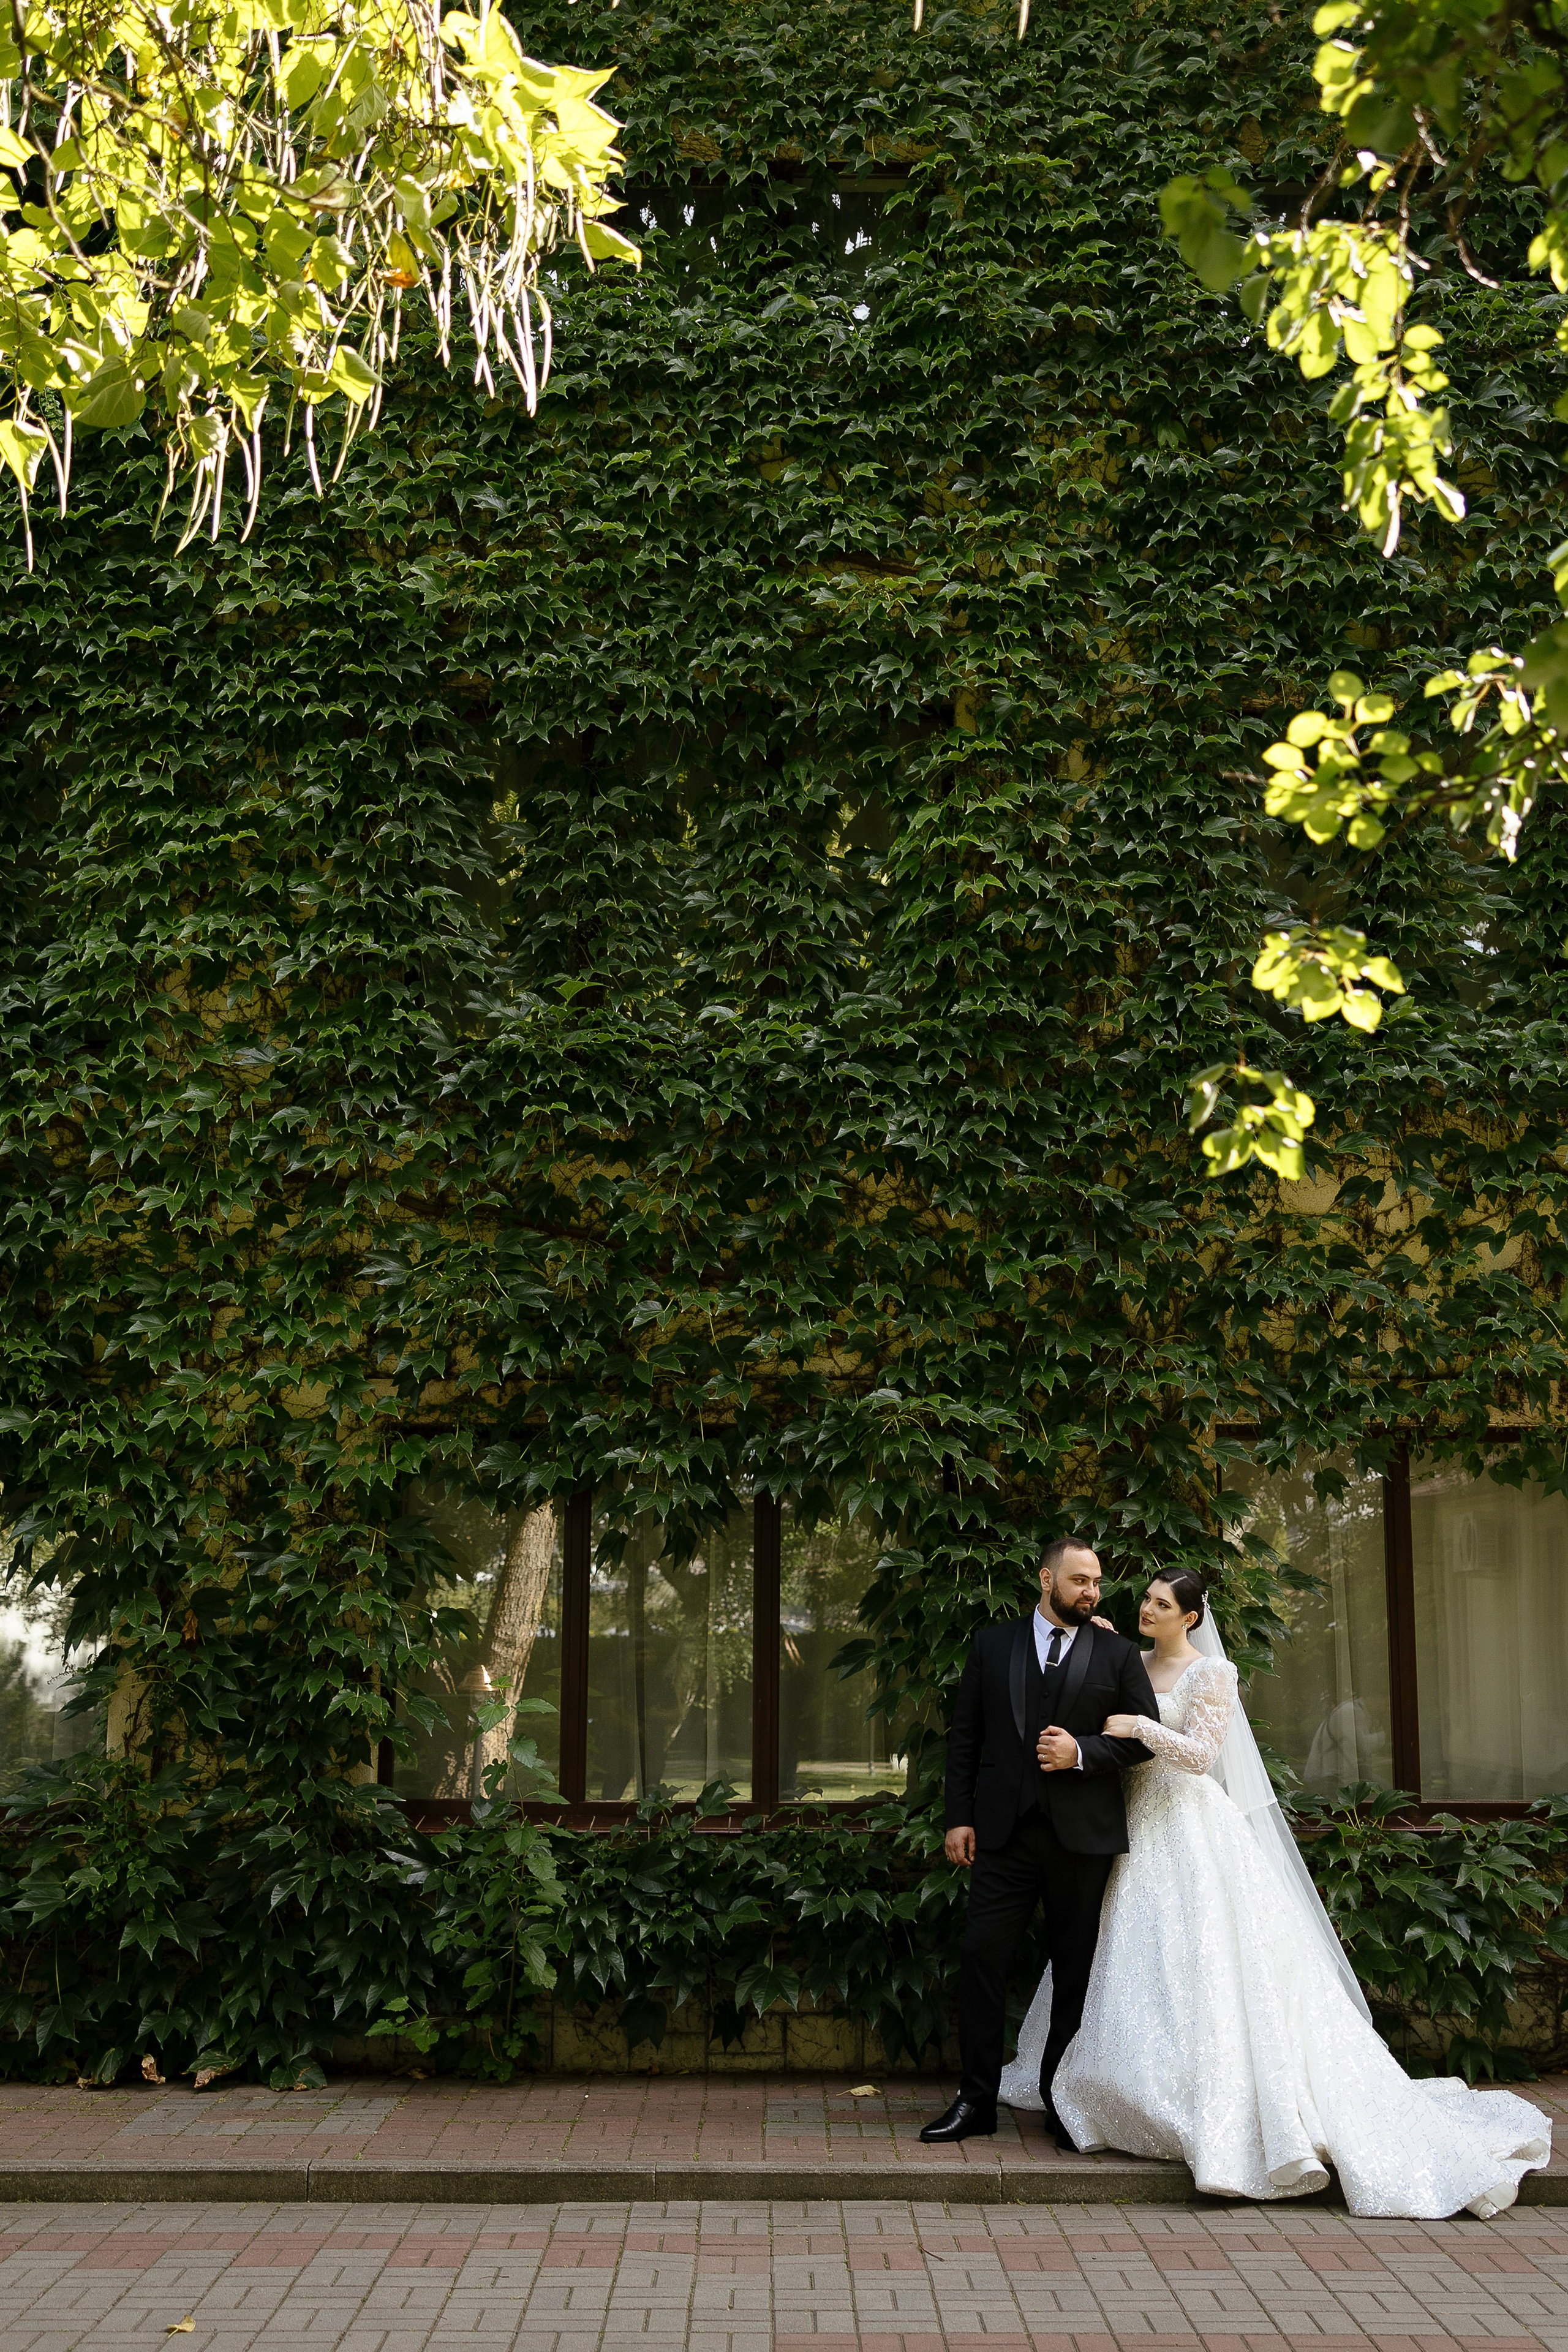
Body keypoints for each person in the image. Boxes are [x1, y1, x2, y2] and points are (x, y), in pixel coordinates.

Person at [998, 1566, 1552, 2219]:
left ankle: (1217, 2097)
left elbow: (1201, 1754)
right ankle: (1113, 2082)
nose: (1146, 1608)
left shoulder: (1212, 1674)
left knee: (1207, 1956)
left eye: (1160, 1603)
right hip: (1128, 1827)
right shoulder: (1126, 1658)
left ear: (1191, 1618)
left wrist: (1139, 1729)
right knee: (1128, 1955)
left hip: (1188, 1825)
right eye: (1144, 1599)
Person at [920, 1536, 1159, 2146]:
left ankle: (1061, 2102)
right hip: (1002, 1835)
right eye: (1080, 1581)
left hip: (1082, 1839)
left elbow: (1141, 1739)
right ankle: (974, 2102)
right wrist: (958, 1817)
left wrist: (1082, 1751)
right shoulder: (991, 1644)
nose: (1092, 1592)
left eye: (1097, 1582)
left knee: (1075, 1971)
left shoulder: (1117, 1653)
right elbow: (965, 1739)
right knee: (981, 1957)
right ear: (1046, 1581)